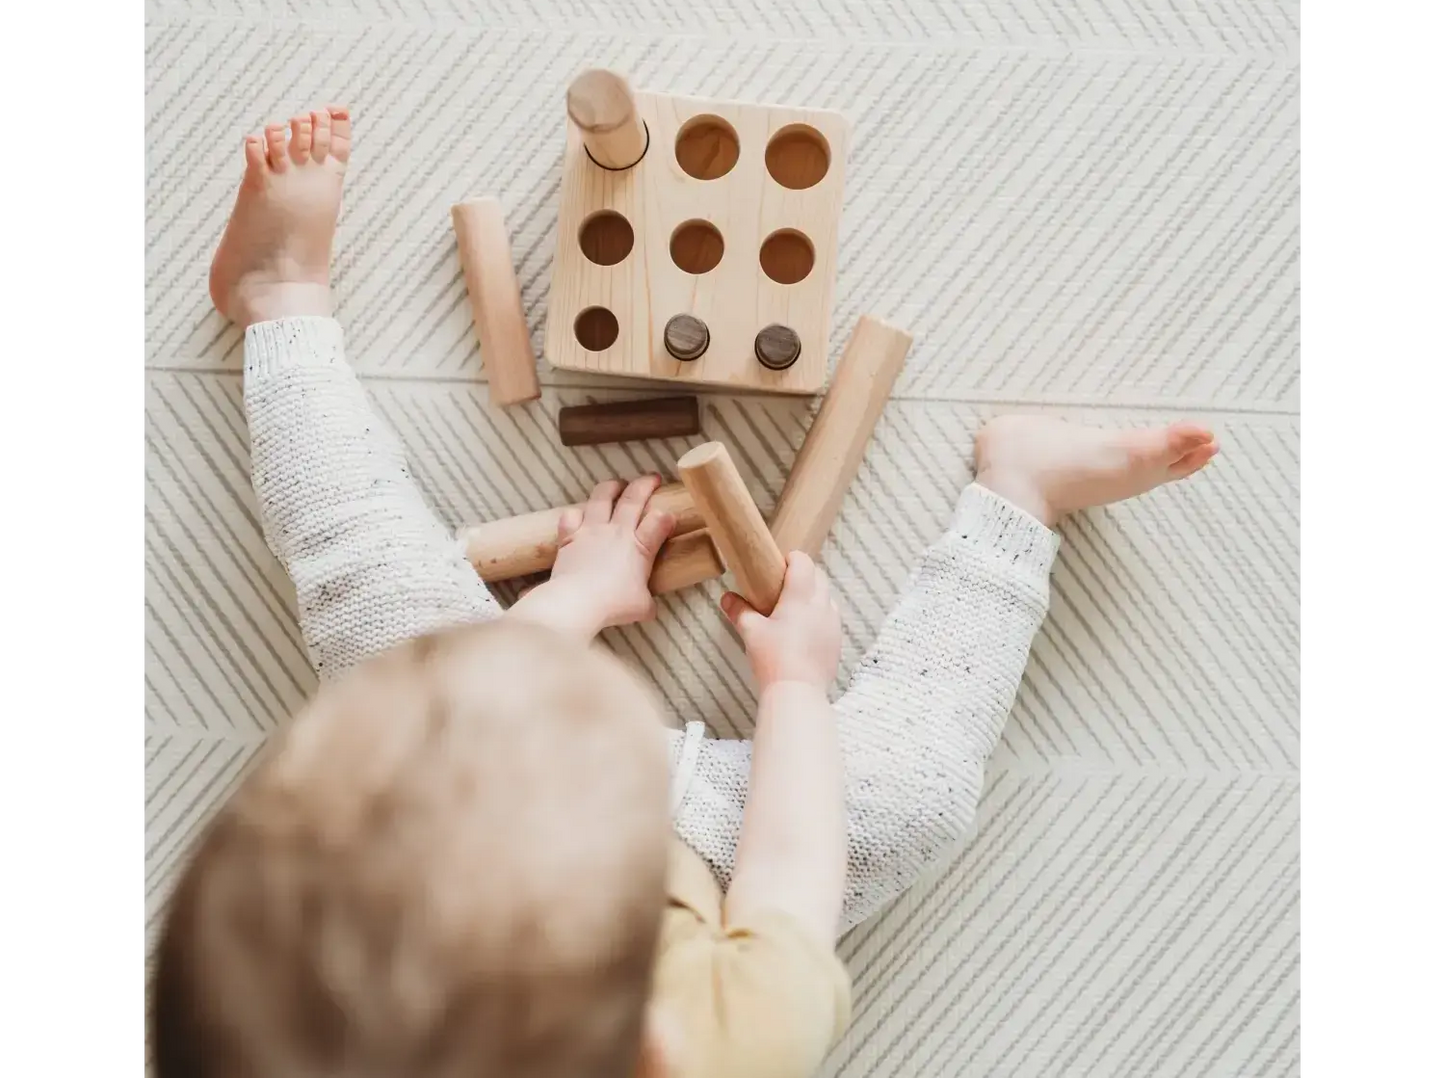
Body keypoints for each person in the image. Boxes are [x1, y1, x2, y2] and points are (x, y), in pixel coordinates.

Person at [150, 106, 1219, 1078]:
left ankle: (278, 299)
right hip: (705, 851)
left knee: (373, 603)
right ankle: (1019, 491)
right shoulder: (733, 1037)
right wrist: (794, 683)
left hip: (481, 772)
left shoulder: (374, 892)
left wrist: (573, 598)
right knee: (913, 798)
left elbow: (452, 712)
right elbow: (792, 862)